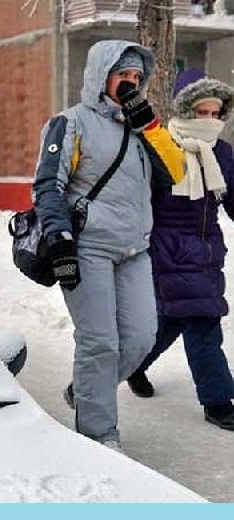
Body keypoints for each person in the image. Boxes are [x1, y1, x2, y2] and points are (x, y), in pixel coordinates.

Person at [32, 40, 185, 450]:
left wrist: (150, 125)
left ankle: (86, 392)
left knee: (140, 337)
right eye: (124, 76)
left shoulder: (142, 131)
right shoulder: (71, 123)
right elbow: (49, 185)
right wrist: (60, 240)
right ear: (103, 76)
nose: (131, 84)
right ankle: (100, 435)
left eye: (138, 78)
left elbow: (176, 172)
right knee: (99, 342)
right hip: (87, 249)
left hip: (134, 250)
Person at [126, 69, 234, 431]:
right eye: (201, 112)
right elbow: (141, 200)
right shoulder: (162, 146)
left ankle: (134, 365)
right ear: (185, 110)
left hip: (206, 250)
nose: (209, 120)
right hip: (168, 248)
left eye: (215, 113)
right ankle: (219, 401)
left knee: (171, 320)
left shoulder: (223, 152)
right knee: (203, 322)